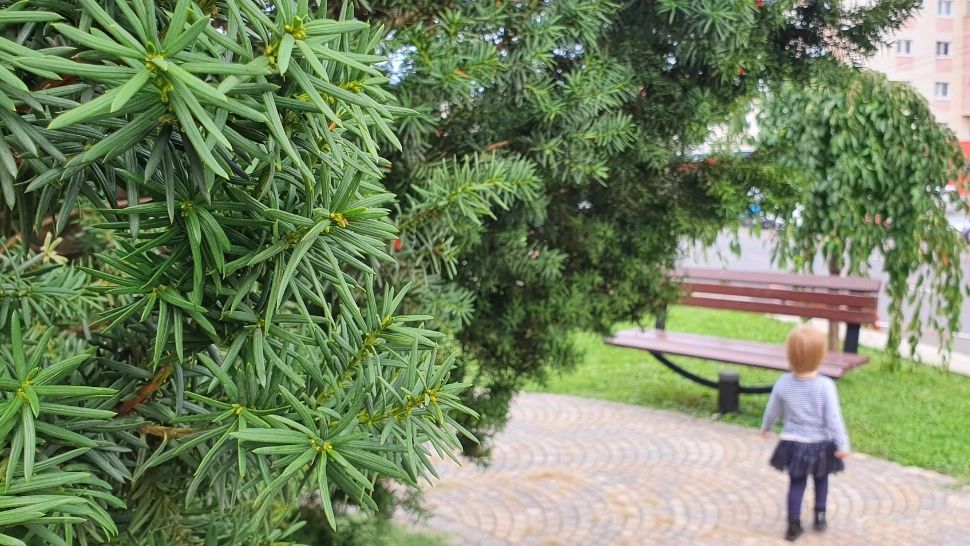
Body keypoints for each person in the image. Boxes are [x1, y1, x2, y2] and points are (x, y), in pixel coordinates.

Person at [760, 324, 850, 542]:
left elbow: (772, 410)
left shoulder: (783, 383)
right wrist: (842, 444)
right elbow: (833, 419)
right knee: (821, 478)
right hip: (820, 443)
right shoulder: (825, 386)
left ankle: (793, 525)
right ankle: (820, 515)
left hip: (793, 443)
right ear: (820, 356)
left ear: (790, 355)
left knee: (797, 483)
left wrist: (766, 428)